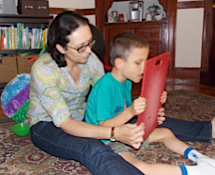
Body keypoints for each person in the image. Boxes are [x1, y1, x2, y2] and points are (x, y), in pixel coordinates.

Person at [26, 10, 214, 175]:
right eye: (81, 47)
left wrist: (148, 112)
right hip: (48, 126)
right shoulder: (44, 70)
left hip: (81, 117)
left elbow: (105, 94)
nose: (89, 50)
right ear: (61, 47)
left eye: (90, 42)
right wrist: (114, 133)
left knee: (138, 120)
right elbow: (66, 124)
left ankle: (207, 129)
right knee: (94, 150)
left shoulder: (90, 60)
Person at [84, 32, 215, 175]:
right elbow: (105, 126)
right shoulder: (104, 87)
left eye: (145, 62)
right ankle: (192, 172)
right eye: (138, 63)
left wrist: (155, 104)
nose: (144, 68)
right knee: (138, 167)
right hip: (106, 140)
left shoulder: (126, 82)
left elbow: (124, 111)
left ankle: (200, 158)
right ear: (120, 63)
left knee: (166, 132)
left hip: (124, 130)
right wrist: (131, 112)